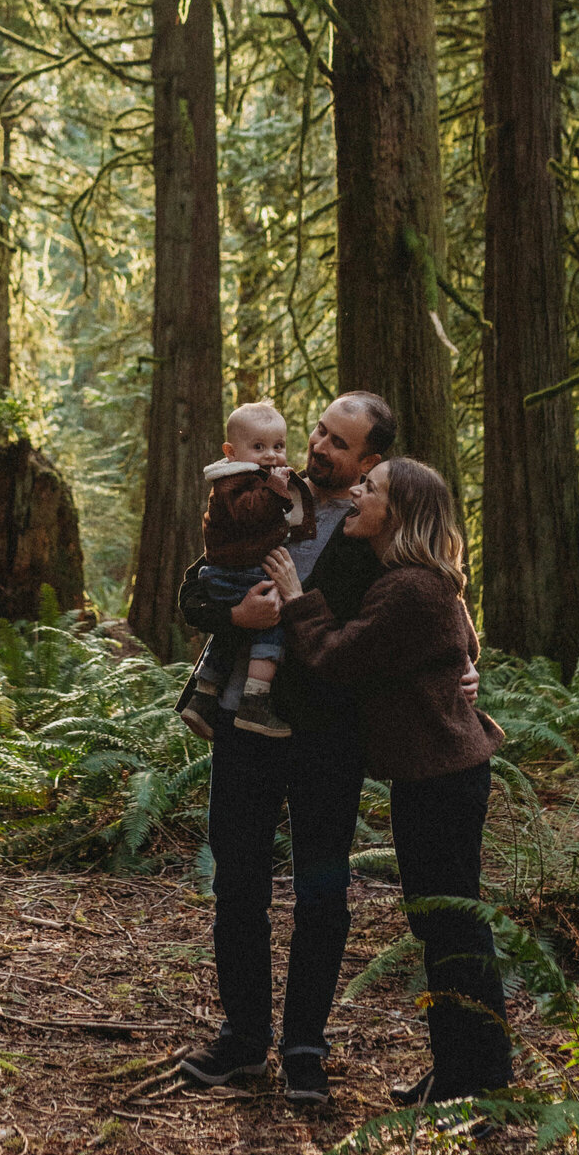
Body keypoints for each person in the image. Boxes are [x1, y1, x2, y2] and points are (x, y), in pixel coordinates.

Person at [265, 456, 512, 1109]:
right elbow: (463, 641)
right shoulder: (419, 579)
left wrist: (296, 599)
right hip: (435, 774)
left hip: (443, 778)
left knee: (453, 924)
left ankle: (480, 1081)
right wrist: (460, 668)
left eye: (368, 489)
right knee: (440, 922)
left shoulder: (408, 589)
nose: (355, 495)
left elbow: (337, 658)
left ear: (395, 512)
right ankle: (458, 1068)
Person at [176, 392, 400, 1107]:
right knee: (237, 885)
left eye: (340, 443)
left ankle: (305, 1045)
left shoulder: (374, 526)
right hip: (244, 727)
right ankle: (244, 1039)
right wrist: (230, 614)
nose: (318, 447)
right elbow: (201, 579)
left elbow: (430, 590)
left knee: (322, 894)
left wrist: (465, 657)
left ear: (371, 460)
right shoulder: (268, 493)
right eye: (319, 432)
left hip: (327, 735)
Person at [182, 400, 317, 742]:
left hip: (230, 571)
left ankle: (204, 694)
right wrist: (277, 490)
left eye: (279, 446)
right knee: (273, 624)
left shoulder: (252, 479)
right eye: (259, 447)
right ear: (230, 451)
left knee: (233, 633)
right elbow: (251, 514)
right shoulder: (235, 482)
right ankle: (254, 701)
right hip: (236, 574)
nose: (271, 455)